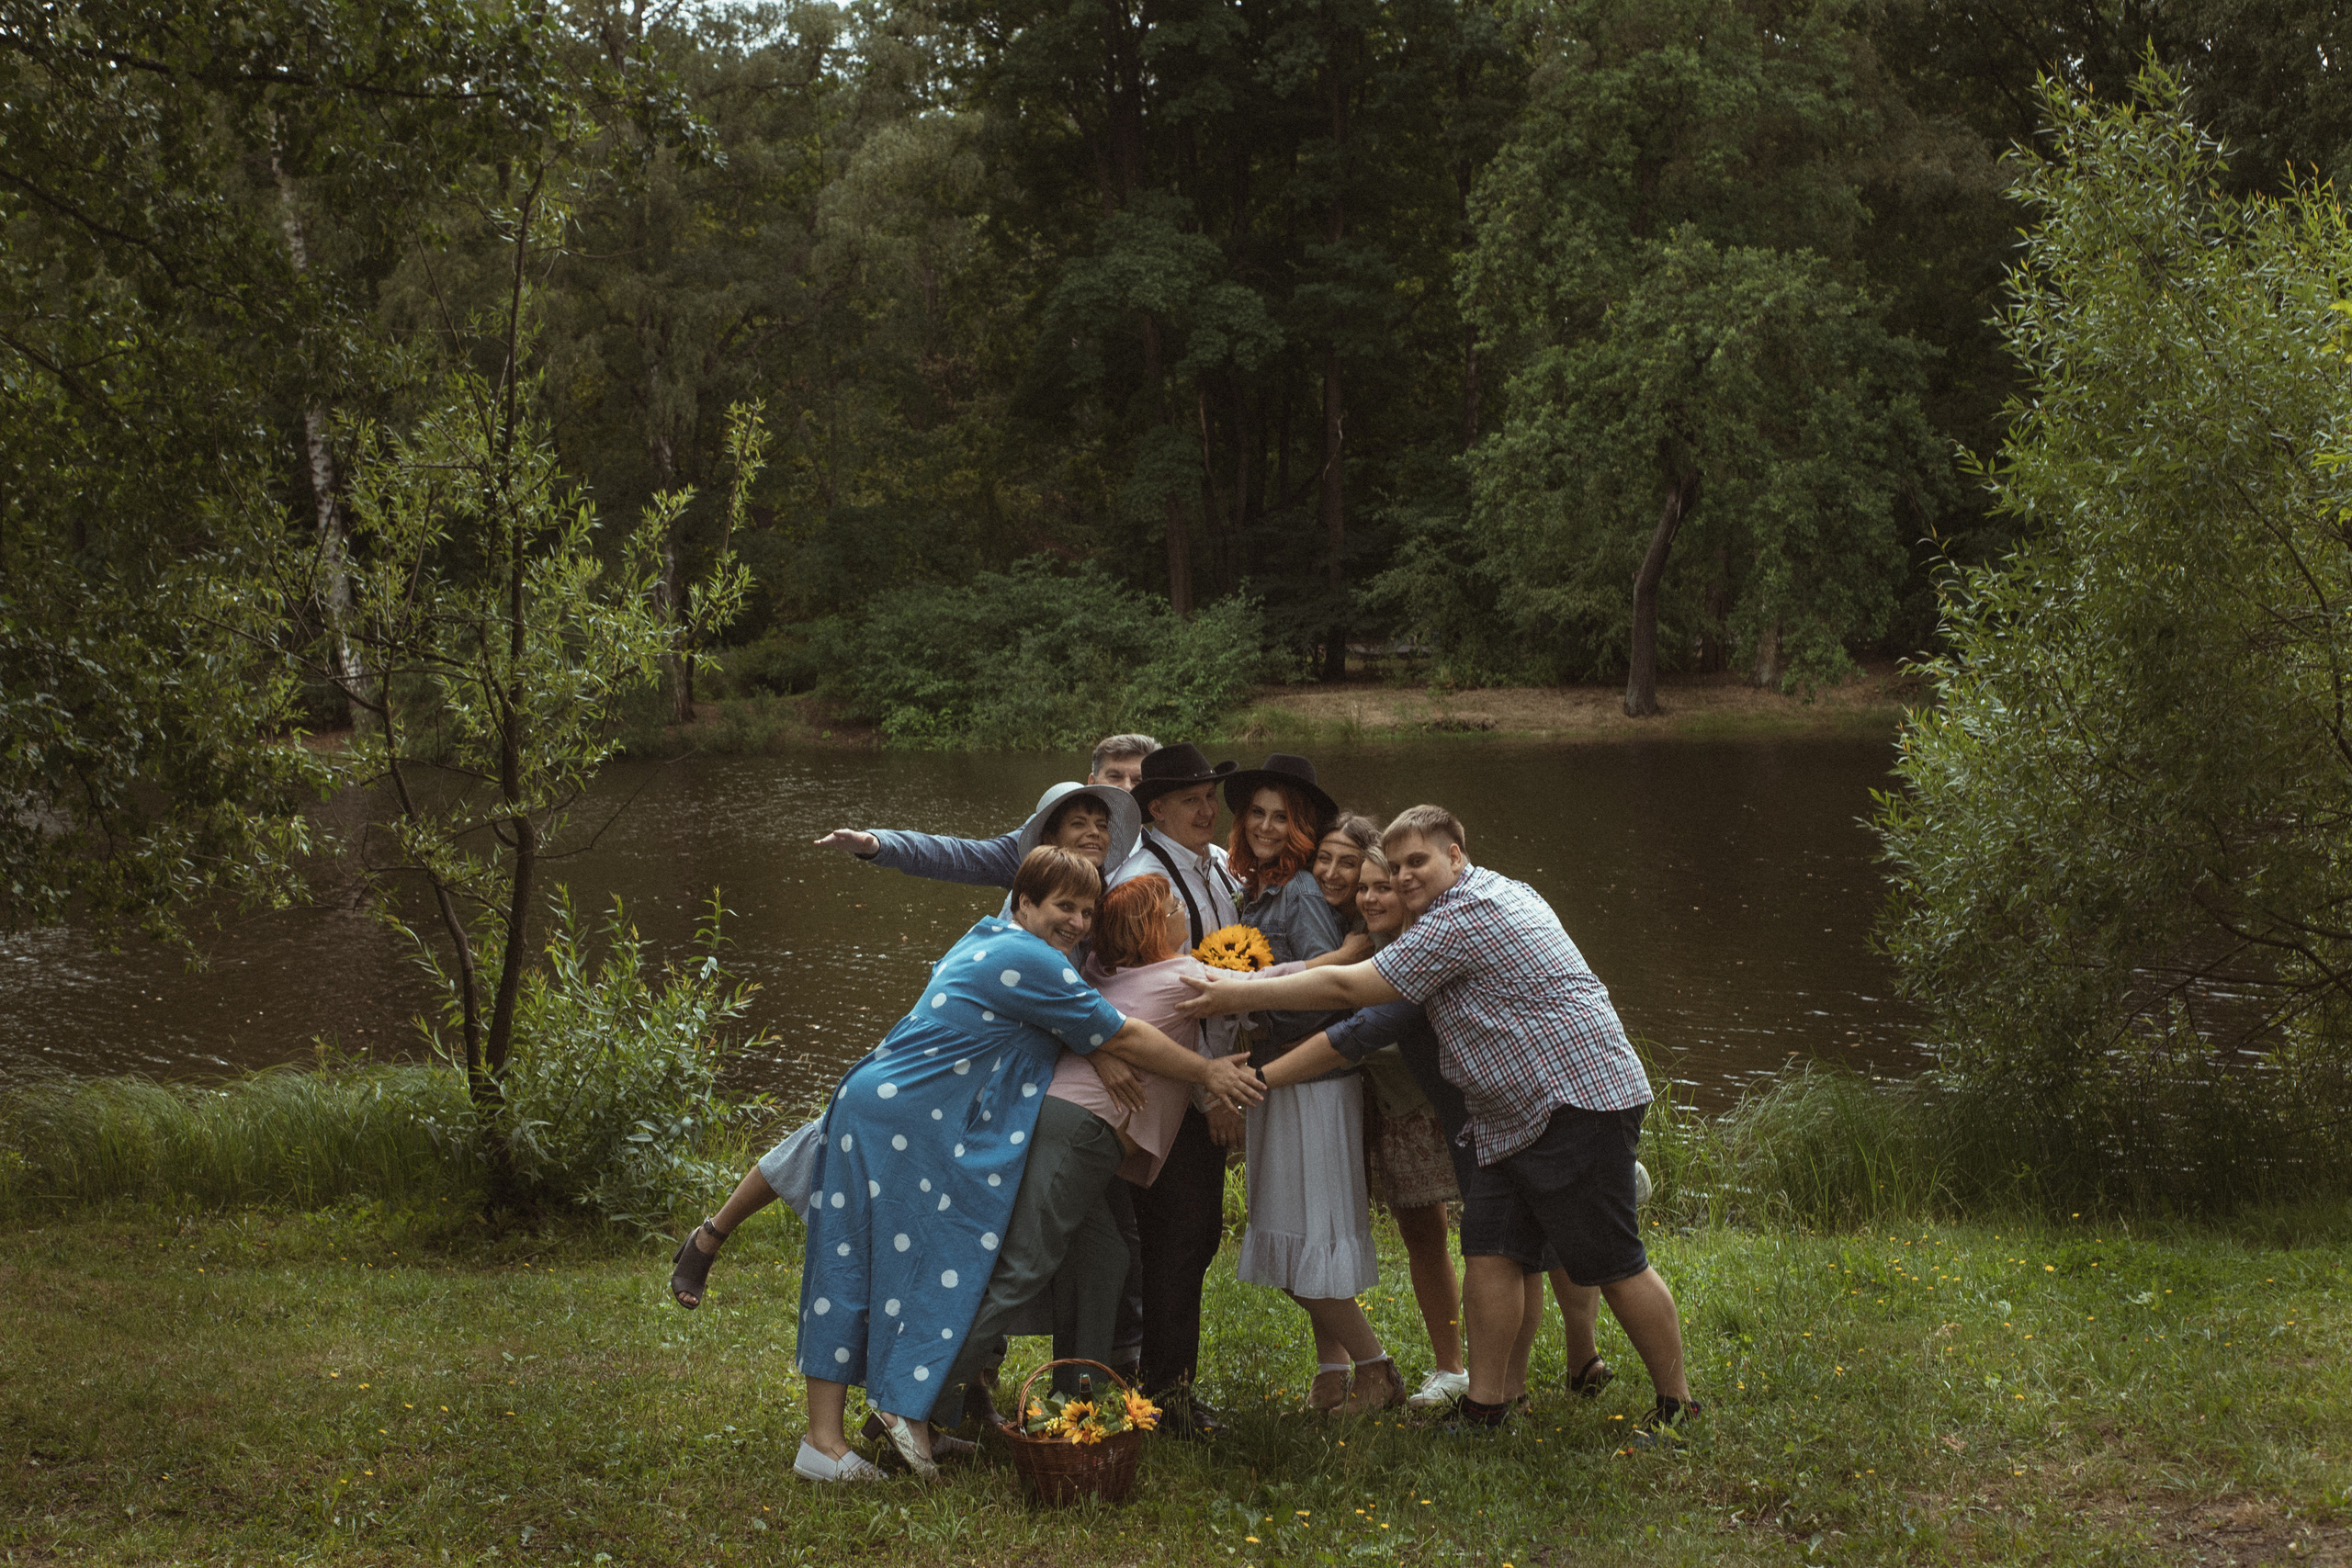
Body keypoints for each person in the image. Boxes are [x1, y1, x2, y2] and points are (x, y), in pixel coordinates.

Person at [1181, 804, 1701, 1446]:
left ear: (1457, 852)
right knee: (1492, 1250)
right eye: (1394, 866)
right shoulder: (1485, 895)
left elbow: (1351, 996)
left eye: (1416, 862)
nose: (1401, 878)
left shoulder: (1462, 917)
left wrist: (1239, 993)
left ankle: (1678, 1408)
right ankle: (1486, 1406)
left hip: (1574, 1100)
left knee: (1614, 1263)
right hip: (1512, 1115)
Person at [793, 846, 1265, 1483]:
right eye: (1062, 906)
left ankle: (1061, 1404)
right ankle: (907, 1406)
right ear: (1022, 903)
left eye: (1087, 909)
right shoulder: (1031, 956)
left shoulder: (1002, 941)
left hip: (915, 1109)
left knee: (1100, 1258)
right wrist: (1207, 1069)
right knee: (981, 1263)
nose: (1077, 921)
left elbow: (1087, 1021)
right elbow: (1117, 1030)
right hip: (905, 1113)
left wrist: (1096, 1044)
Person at [668, 779, 1140, 1311]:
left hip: (1014, 1074)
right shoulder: (1027, 887)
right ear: (1047, 835)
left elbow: (1083, 999)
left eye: (1102, 825)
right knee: (830, 1131)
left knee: (975, 1207)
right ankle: (711, 1234)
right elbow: (953, 855)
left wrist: (1099, 1042)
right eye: (1078, 823)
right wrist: (877, 843)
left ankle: (974, 1371)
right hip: (962, 1047)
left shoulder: (1102, 894)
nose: (1094, 834)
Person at [1257, 848, 1620, 1411]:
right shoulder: (1392, 943)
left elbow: (1354, 1030)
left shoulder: (1428, 954)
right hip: (1477, 1114)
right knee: (1526, 1244)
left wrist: (1255, 1076)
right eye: (1367, 888)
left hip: (1497, 1115)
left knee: (1518, 1250)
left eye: (1389, 886)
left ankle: (1524, 1380)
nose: (1375, 896)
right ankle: (1540, 1374)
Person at [1222, 756, 1404, 1416]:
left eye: (1284, 816)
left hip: (1310, 1077)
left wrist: (1245, 1004)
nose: (1269, 826)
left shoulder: (1296, 891)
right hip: (1286, 1077)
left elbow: (1322, 1002)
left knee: (1303, 1238)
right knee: (1306, 1236)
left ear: (1302, 826)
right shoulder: (1262, 889)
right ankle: (1332, 1370)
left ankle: (1376, 1367)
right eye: (1258, 813)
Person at [1102, 741, 1247, 1433]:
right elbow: (1150, 996)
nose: (1207, 807)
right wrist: (1211, 1093)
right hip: (1170, 1092)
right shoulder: (1141, 879)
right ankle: (1166, 1394)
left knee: (1192, 1236)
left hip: (1202, 1080)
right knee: (1178, 1238)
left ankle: (1165, 1381)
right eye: (1191, 797)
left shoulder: (1213, 867)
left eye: (1210, 795)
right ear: (1154, 808)